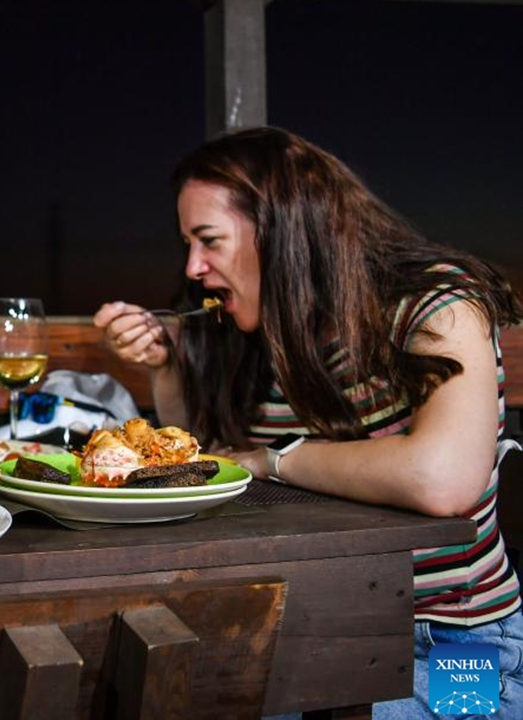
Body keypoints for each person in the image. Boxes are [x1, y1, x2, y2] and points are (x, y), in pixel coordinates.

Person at [94, 126, 523, 718]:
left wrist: (274, 459)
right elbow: (206, 460)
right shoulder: (269, 332)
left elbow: (442, 480)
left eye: (209, 240)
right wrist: (165, 368)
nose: (192, 266)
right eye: (188, 243)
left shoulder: (435, 304)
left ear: (285, 231)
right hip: (302, 633)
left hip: (450, 645)